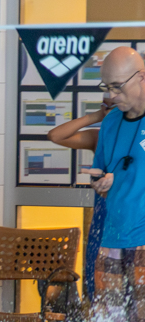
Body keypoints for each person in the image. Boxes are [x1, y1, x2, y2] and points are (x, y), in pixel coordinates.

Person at [89, 47, 145, 322]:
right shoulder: (110, 123)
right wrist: (99, 183)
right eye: (106, 87)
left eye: (117, 87)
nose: (111, 95)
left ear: (141, 77)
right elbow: (99, 171)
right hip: (111, 242)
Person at [47, 96, 115, 300]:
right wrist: (97, 116)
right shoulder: (100, 137)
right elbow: (55, 136)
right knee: (98, 283)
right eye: (108, 105)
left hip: (133, 218)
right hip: (103, 219)